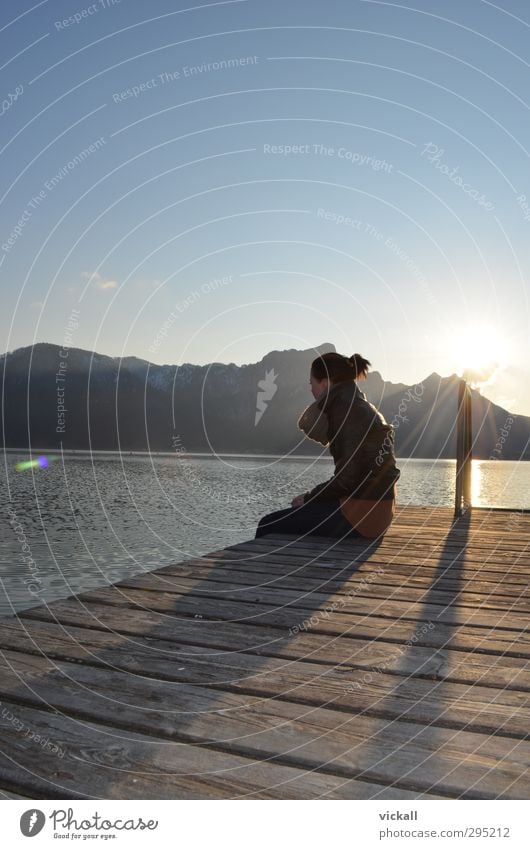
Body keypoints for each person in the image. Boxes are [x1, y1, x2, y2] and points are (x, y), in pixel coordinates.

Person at [255, 351, 401, 540]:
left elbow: (346, 479)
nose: (311, 390)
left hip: (361, 517)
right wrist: (311, 499)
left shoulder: (346, 411)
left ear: (325, 383)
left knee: (268, 524)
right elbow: (353, 477)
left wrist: (309, 497)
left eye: (311, 383)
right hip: (377, 511)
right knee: (299, 516)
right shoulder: (358, 404)